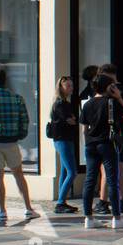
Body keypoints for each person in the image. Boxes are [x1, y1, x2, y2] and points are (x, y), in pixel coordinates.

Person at [0, 66, 38, 226]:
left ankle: (2, 211)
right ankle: (28, 207)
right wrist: (20, 135)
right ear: (5, 80)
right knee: (18, 174)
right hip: (11, 142)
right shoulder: (16, 97)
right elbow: (25, 119)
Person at [80, 74, 123, 229]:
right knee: (112, 179)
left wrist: (87, 143)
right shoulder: (111, 102)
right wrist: (119, 97)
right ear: (108, 87)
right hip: (106, 144)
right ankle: (116, 217)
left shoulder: (87, 104)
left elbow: (84, 129)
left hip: (90, 145)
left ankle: (88, 217)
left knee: (90, 180)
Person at [47, 76, 79, 214]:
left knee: (65, 171)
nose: (71, 88)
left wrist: (71, 120)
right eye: (68, 86)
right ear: (60, 87)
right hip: (62, 140)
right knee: (72, 172)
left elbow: (73, 119)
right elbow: (70, 120)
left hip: (66, 139)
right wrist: (70, 120)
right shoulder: (60, 104)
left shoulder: (65, 103)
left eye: (71, 85)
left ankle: (62, 200)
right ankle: (60, 202)